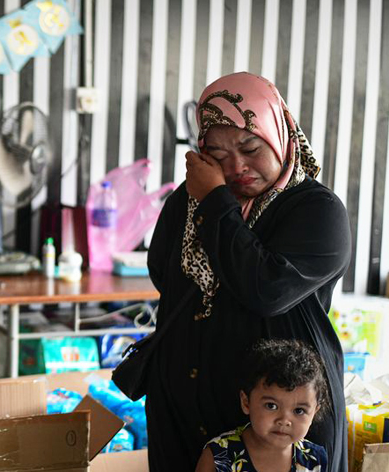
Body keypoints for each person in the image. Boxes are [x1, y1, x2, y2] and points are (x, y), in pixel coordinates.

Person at [144, 72, 350, 471]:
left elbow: (266, 290)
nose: (236, 166)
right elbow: (163, 274)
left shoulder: (317, 210)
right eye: (217, 155)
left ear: (278, 134)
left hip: (280, 423)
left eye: (250, 147)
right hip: (182, 418)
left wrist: (215, 200)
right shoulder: (187, 202)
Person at [195, 338, 329, 472]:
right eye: (271, 406)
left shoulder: (314, 459)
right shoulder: (220, 455)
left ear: (314, 412)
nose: (284, 421)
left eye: (299, 411)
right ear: (246, 403)